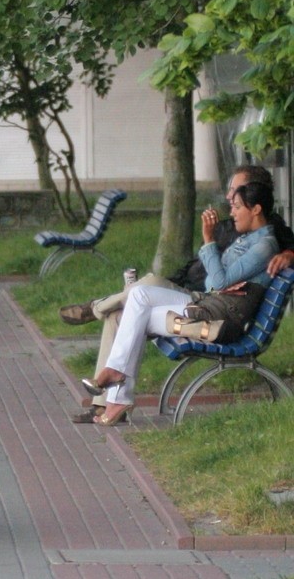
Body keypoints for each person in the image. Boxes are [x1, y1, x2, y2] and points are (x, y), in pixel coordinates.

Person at [63, 166, 294, 422]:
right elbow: (215, 279)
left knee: (135, 307)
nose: (230, 205)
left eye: (237, 202)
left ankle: (117, 390)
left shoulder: (265, 241)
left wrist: (209, 243)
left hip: (214, 312)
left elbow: (220, 278)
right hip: (204, 297)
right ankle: (116, 389)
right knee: (137, 301)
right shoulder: (243, 234)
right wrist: (220, 277)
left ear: (256, 206)